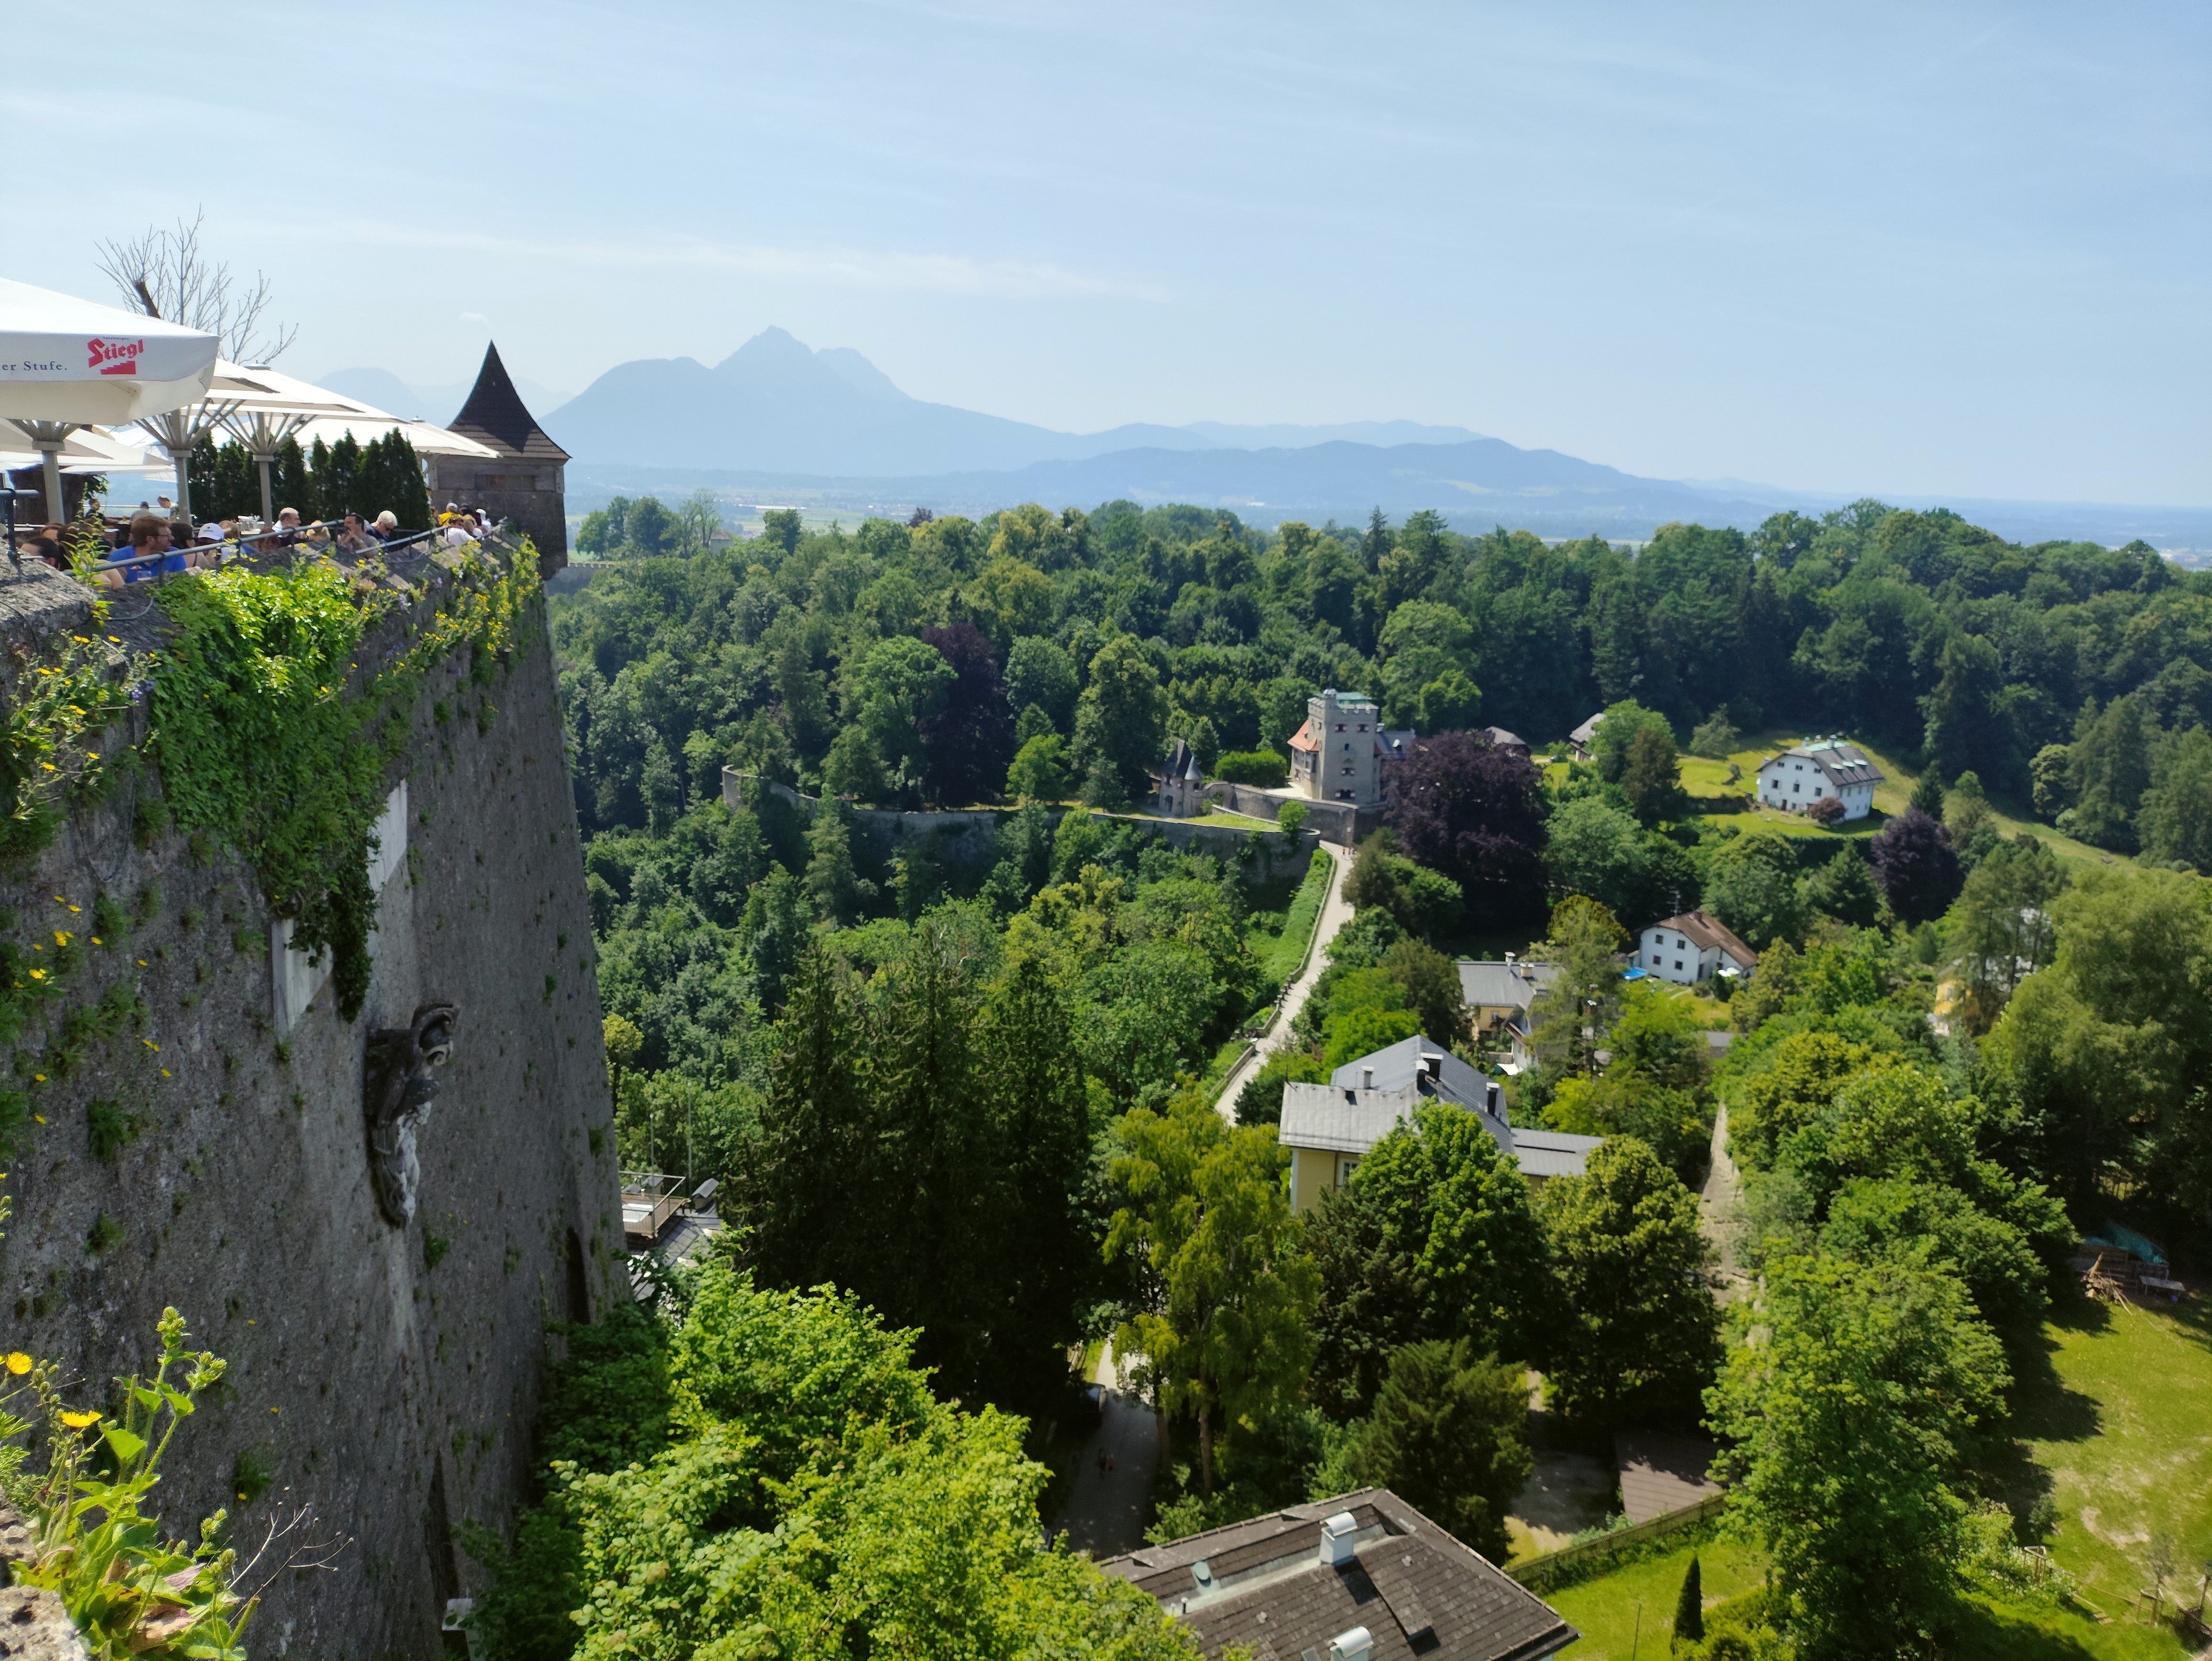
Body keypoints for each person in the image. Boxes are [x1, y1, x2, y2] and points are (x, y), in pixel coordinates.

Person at [99, 512, 179, 587]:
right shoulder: (119, 558)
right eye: (166, 536)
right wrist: (118, 582)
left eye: (170, 535)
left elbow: (182, 586)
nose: (172, 538)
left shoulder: (175, 555)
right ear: (150, 540)